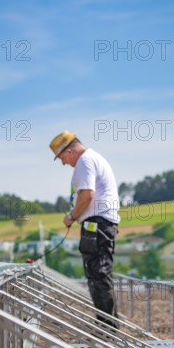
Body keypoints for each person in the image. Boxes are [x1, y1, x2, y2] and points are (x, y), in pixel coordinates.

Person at [49, 130, 120, 328]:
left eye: (62, 157)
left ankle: (107, 329)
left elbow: (87, 194)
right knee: (100, 275)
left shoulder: (84, 162)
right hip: (102, 224)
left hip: (97, 225)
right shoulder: (93, 158)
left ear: (69, 150)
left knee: (97, 275)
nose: (64, 162)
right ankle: (108, 325)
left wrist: (71, 216)